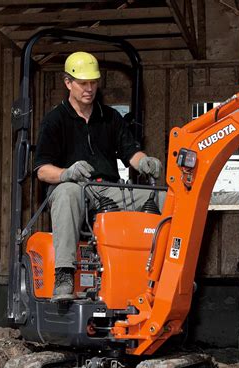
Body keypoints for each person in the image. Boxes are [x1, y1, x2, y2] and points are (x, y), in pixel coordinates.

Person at [34, 51, 163, 301]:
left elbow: (130, 152)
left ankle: (165, 274)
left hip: (109, 188)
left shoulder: (110, 117)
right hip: (73, 189)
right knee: (68, 192)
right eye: (83, 83)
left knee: (164, 198)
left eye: (93, 82)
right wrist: (67, 173)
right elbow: (42, 170)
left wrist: (144, 161)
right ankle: (63, 276)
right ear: (68, 82)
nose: (89, 89)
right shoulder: (55, 120)